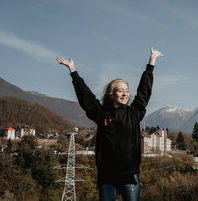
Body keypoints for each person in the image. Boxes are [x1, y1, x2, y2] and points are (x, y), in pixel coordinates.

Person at [56, 47, 163, 201]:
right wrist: (73, 70)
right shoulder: (102, 114)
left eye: (126, 90)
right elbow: (86, 99)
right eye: (120, 91)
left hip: (129, 174)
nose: (125, 93)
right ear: (111, 95)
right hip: (107, 175)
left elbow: (144, 91)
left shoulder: (134, 113)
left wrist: (152, 61)